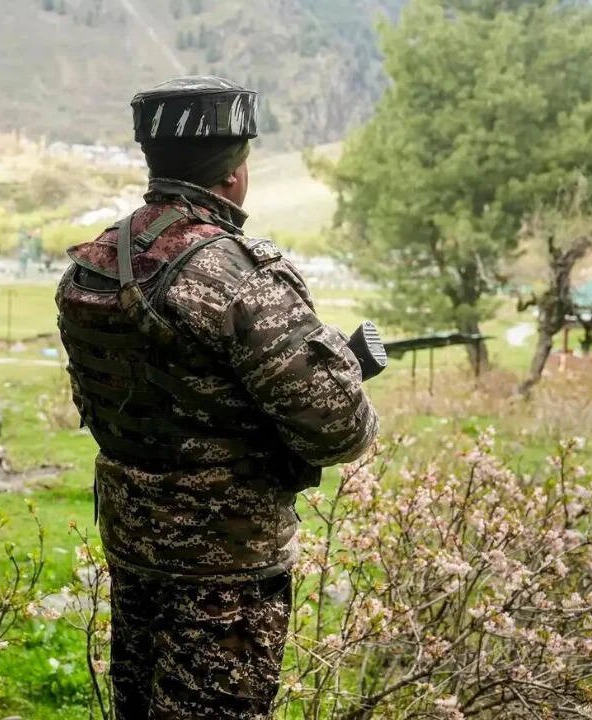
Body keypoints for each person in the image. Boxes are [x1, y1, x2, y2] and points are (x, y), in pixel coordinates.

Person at [55, 77, 379, 719]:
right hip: (226, 567)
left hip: (134, 545)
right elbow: (339, 431)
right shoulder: (236, 276)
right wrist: (342, 371)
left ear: (153, 159)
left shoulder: (95, 261)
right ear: (235, 173)